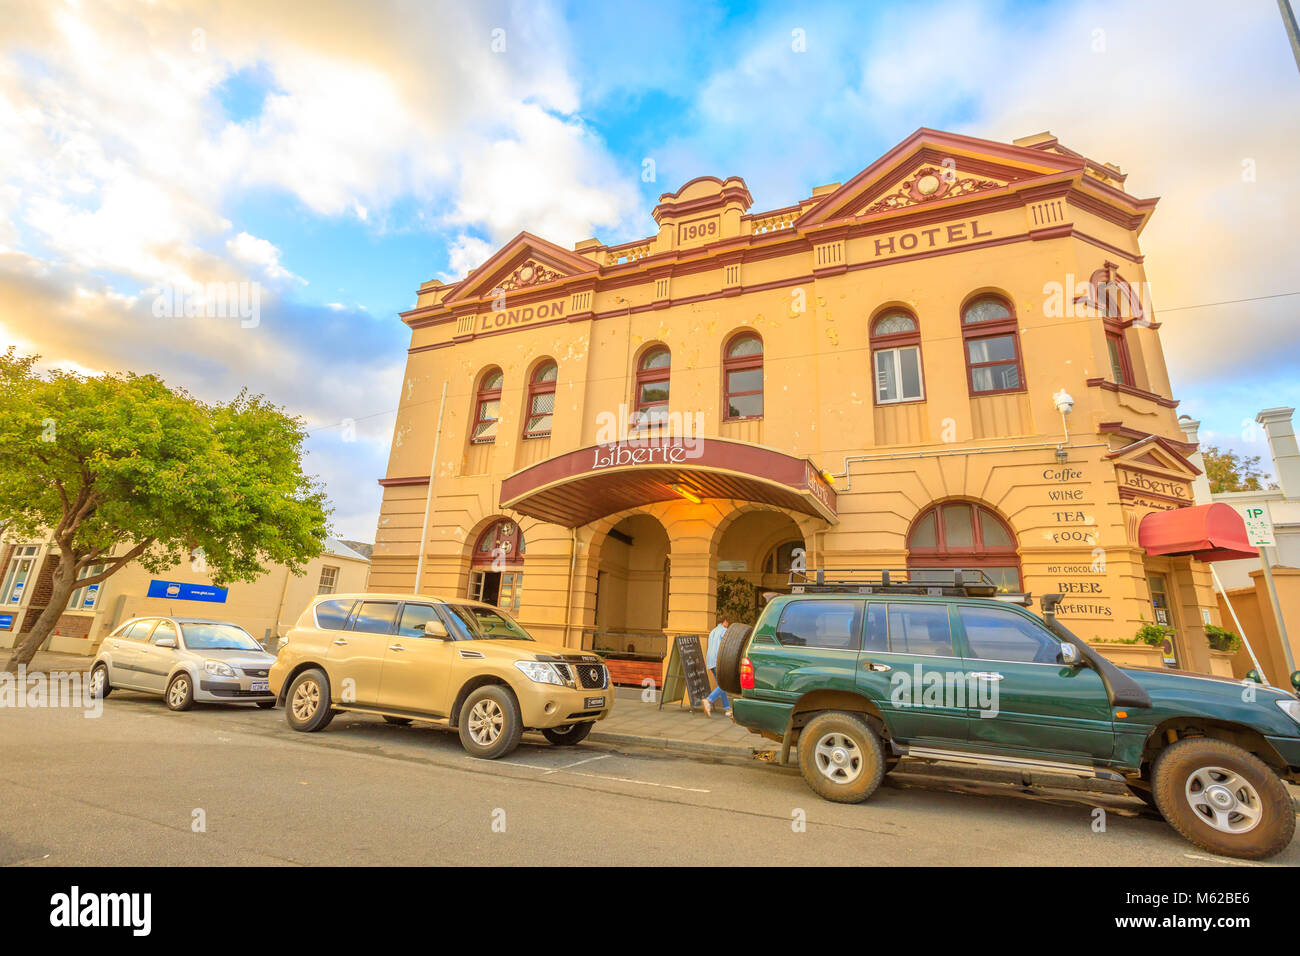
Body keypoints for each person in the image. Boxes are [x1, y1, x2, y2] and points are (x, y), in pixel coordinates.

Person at [702, 616, 732, 718]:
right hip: (718, 661)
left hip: (710, 661)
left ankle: (727, 709)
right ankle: (708, 700)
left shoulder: (712, 631)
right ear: (725, 622)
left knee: (721, 685)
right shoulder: (724, 631)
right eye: (728, 623)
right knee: (724, 685)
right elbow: (727, 646)